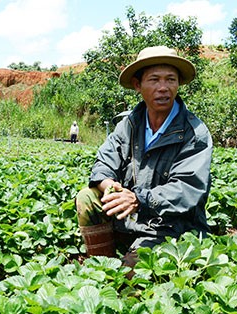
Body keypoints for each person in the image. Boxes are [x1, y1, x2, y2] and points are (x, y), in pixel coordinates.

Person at [75, 46, 213, 271]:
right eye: (154, 79)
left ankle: (125, 268)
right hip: (130, 221)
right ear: (138, 85)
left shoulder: (194, 133)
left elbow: (187, 188)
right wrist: (110, 187)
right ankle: (102, 267)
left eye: (171, 80)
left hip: (171, 227)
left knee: (132, 277)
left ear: (178, 85)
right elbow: (103, 163)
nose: (163, 88)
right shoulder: (129, 124)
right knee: (87, 198)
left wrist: (139, 200)